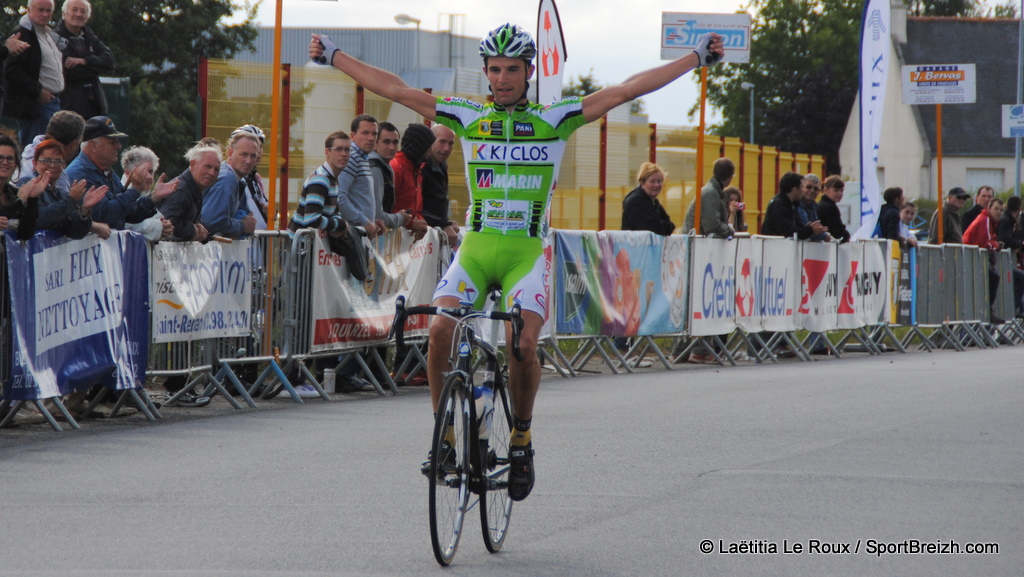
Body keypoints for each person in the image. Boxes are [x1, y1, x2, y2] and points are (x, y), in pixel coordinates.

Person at [310, 22, 724, 501]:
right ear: (485, 72)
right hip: (478, 247)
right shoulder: (467, 115)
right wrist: (335, 55)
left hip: (526, 252)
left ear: (529, 71)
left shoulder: (556, 117)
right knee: (441, 329)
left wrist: (695, 57)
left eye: (512, 69)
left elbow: (627, 88)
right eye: (494, 69)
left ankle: (522, 437)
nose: (502, 78)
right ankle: (444, 433)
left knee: (522, 343)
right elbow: (395, 89)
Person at [65, 116, 175, 229]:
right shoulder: (79, 173)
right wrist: (135, 190)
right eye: (112, 142)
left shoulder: (106, 171)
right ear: (93, 146)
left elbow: (128, 214)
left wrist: (153, 198)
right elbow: (105, 215)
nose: (118, 146)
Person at [3, 0, 64, 147]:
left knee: (50, 150)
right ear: (29, 10)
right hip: (35, 106)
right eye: (40, 10)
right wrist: (37, 91)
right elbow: (12, 71)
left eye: (48, 11)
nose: (45, 14)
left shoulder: (46, 32)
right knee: (35, 152)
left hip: (52, 102)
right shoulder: (22, 33)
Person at [23, 137, 106, 239]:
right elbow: (38, 219)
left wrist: (84, 210)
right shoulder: (27, 183)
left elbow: (75, 233)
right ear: (35, 163)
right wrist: (70, 200)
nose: (52, 165)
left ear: (63, 166)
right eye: (47, 160)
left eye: (58, 161)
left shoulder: (62, 194)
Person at [54, 0, 114, 120]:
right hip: (68, 109)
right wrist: (96, 68)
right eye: (74, 10)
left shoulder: (91, 38)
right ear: (64, 13)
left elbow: (109, 63)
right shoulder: (54, 38)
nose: (78, 14)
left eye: (83, 11)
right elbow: (68, 72)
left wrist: (85, 61)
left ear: (87, 16)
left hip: (96, 108)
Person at [157, 141, 219, 243]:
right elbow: (167, 222)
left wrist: (198, 227)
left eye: (216, 169)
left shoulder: (194, 189)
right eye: (207, 166)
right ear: (193, 164)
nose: (212, 173)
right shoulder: (180, 190)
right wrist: (193, 230)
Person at [201, 130, 259, 239]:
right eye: (244, 154)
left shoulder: (232, 177)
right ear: (230, 153)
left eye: (253, 156)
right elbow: (211, 221)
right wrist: (243, 225)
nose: (248, 161)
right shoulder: (227, 179)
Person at [963, 197, 1005, 320]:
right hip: (970, 261)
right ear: (989, 208)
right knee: (994, 277)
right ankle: (988, 310)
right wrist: (996, 245)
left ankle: (986, 311)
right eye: (996, 209)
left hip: (973, 260)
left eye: (1001, 210)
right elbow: (985, 243)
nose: (998, 212)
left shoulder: (991, 222)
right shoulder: (985, 220)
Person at [390, 123, 433, 239]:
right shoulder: (396, 167)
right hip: (392, 237)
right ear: (420, 146)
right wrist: (411, 223)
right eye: (428, 146)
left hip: (403, 239)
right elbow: (387, 207)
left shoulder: (417, 169)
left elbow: (415, 206)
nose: (430, 151)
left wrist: (420, 221)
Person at [120, 145, 172, 241]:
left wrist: (165, 226)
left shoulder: (145, 193)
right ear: (128, 173)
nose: (149, 177)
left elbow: (160, 220)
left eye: (151, 172)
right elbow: (130, 225)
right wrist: (158, 227)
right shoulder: (120, 193)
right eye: (143, 171)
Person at [0, 134, 45, 239]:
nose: (5, 162)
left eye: (10, 159)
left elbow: (25, 233)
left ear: (16, 164)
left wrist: (32, 199)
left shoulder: (15, 193)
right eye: (0, 157)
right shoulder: (19, 197)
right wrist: (18, 202)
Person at [422, 124, 460, 248]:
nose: (446, 148)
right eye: (442, 142)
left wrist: (446, 223)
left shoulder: (441, 165)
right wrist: (443, 224)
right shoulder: (421, 167)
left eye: (451, 143)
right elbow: (417, 207)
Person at [760, 172, 827, 239]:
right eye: (802, 187)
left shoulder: (791, 204)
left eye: (816, 189)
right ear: (795, 189)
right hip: (775, 247)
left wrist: (806, 229)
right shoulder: (779, 204)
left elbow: (795, 228)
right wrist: (810, 230)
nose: (803, 190)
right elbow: (788, 232)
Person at [684, 157, 735, 237]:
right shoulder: (711, 193)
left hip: (696, 242)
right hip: (697, 244)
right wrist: (729, 231)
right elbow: (711, 225)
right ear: (730, 177)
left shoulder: (712, 191)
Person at [996, 195, 1024, 317]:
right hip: (1000, 262)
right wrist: (1020, 244)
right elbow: (1005, 240)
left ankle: (1016, 308)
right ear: (1019, 208)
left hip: (1004, 261)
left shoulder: (1009, 220)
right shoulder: (1006, 220)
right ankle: (1014, 308)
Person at [796, 174, 830, 242]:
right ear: (802, 188)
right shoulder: (796, 205)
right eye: (808, 187)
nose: (812, 191)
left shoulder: (815, 207)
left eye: (816, 189)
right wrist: (824, 236)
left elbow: (817, 228)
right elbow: (811, 230)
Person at [816, 175, 850, 243]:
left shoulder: (822, 204)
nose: (840, 193)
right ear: (826, 190)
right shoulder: (830, 208)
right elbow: (837, 231)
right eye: (836, 190)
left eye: (841, 190)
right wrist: (846, 235)